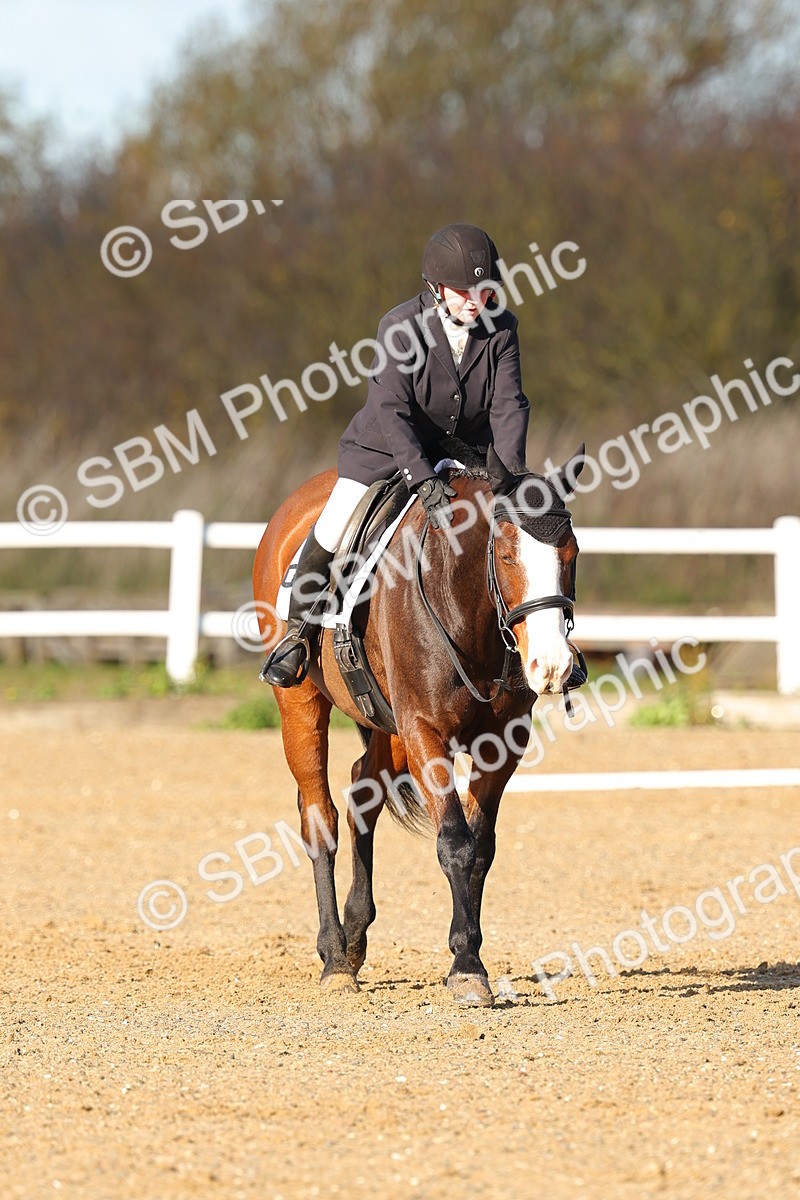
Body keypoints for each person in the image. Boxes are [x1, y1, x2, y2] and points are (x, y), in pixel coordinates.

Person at [260, 222, 531, 687]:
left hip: (467, 454)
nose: (476, 301)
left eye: (485, 290)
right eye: (464, 291)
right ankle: (298, 634)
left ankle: (543, 643)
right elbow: (392, 410)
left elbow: (509, 406)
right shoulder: (401, 327)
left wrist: (509, 477)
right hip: (386, 451)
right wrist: (421, 477)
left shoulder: (502, 329)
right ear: (436, 287)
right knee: (335, 523)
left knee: (525, 533)